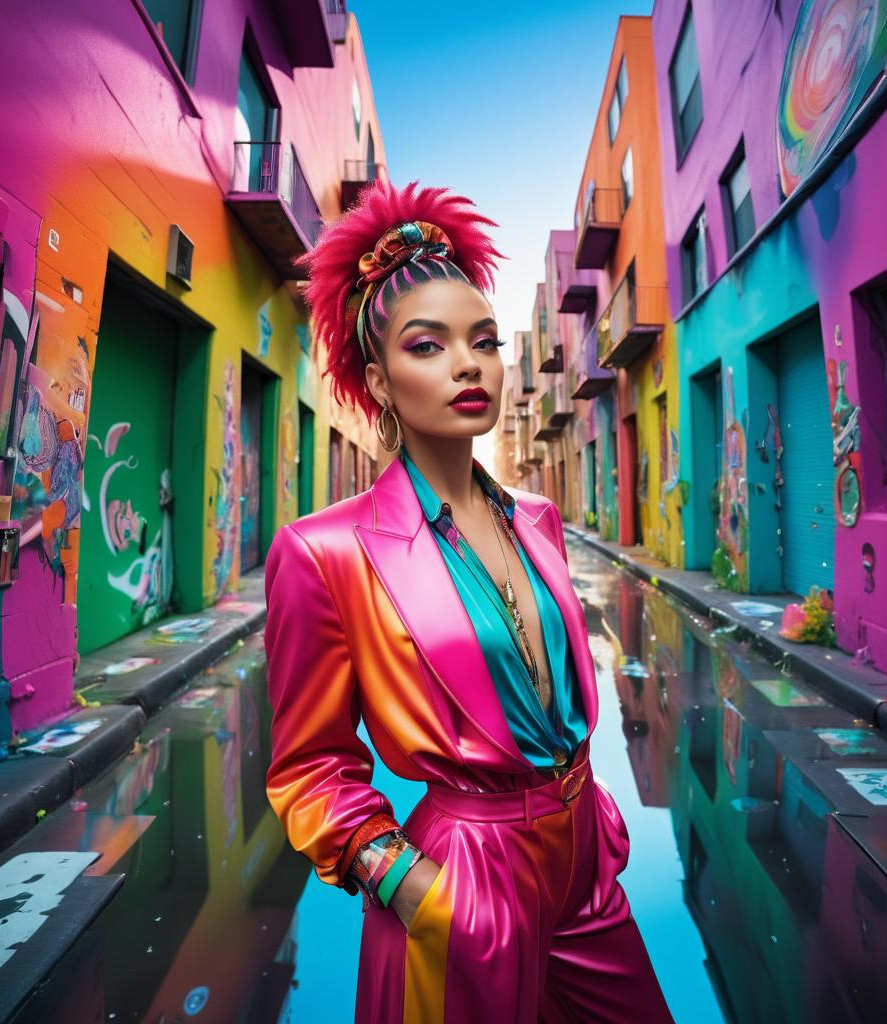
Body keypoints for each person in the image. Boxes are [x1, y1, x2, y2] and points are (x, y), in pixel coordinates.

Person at [263, 179, 673, 1023]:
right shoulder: (325, 552)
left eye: (482, 342)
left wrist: (588, 815)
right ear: (377, 381)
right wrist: (408, 885)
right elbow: (310, 768)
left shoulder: (540, 521)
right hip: (464, 876)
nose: (466, 364)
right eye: (428, 345)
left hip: (582, 864)